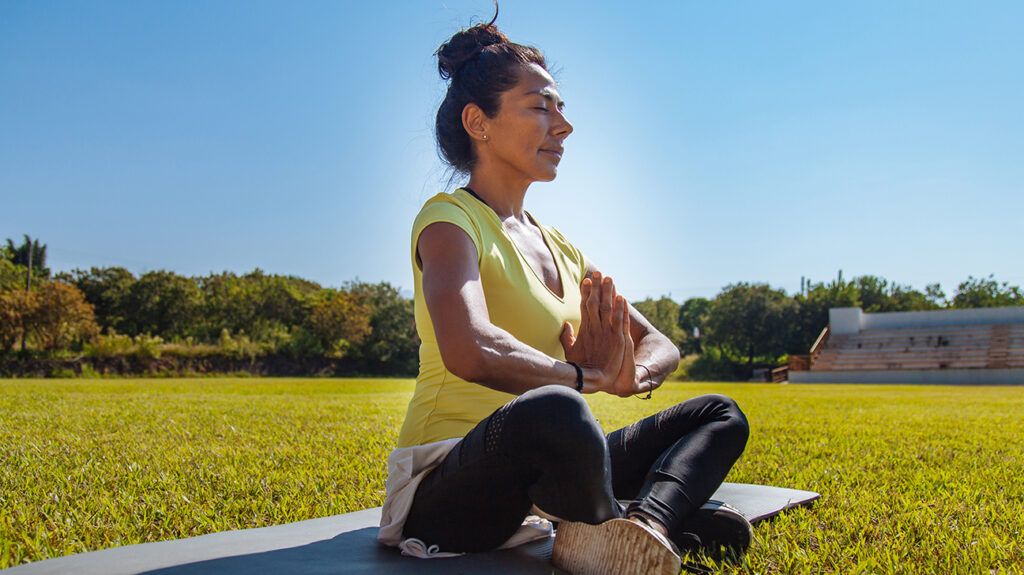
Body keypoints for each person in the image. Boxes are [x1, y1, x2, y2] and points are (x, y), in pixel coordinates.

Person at [377, 11, 751, 574]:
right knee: (558, 410)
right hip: (450, 484)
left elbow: (661, 343)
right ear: (479, 122)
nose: (564, 125)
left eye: (562, 108)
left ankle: (644, 526)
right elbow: (470, 348)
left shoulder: (560, 246)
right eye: (541, 107)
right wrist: (582, 380)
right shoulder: (449, 222)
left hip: (554, 471)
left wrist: (631, 375)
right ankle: (622, 528)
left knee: (720, 413)